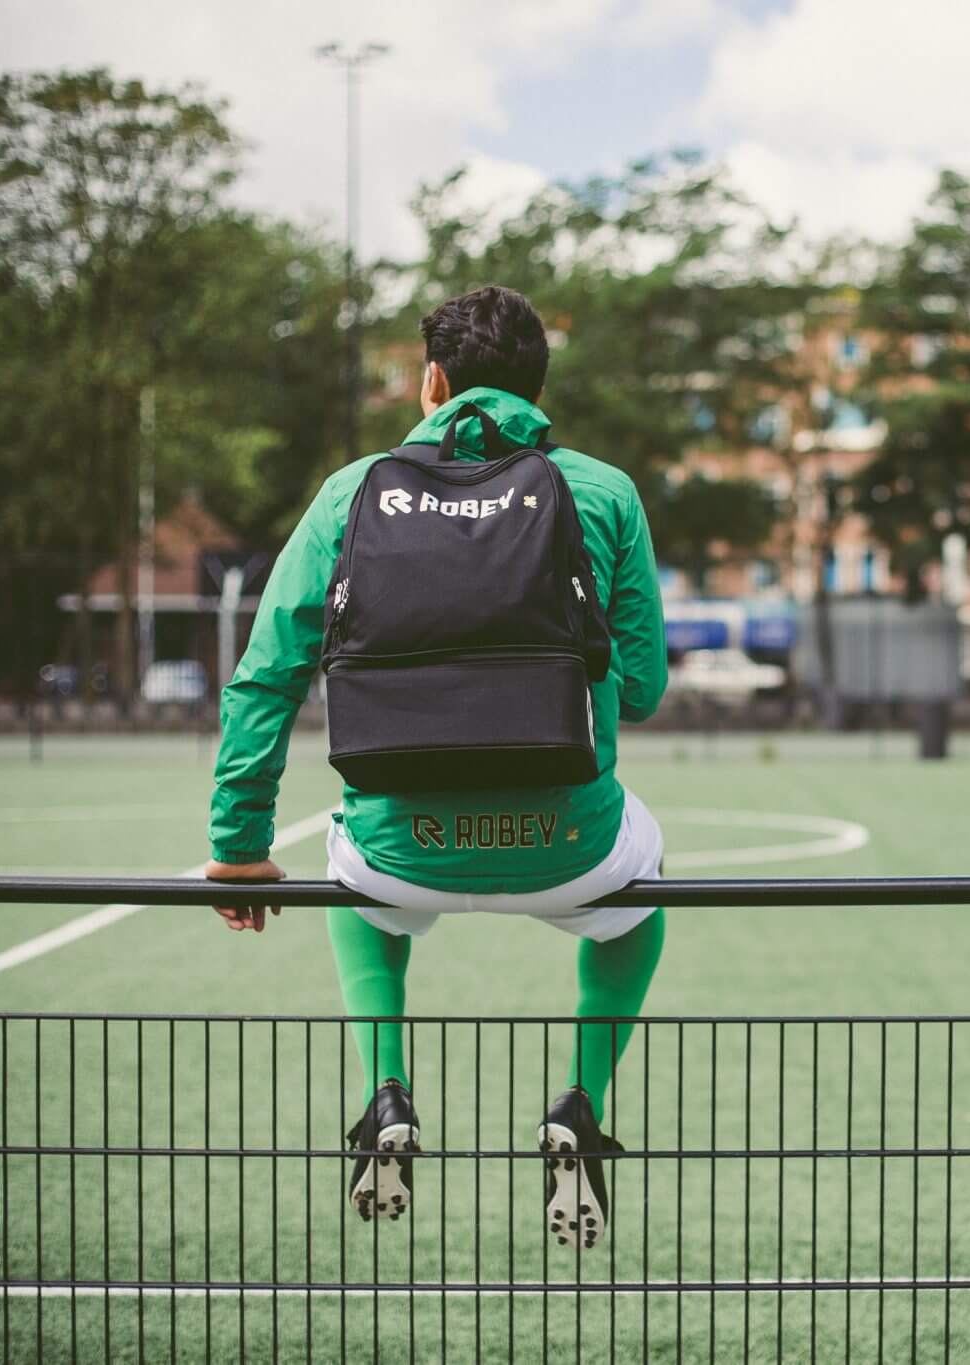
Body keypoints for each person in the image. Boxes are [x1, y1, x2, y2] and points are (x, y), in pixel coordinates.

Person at [203, 285, 668, 1250]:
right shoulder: (603, 491)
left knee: (356, 889)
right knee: (639, 902)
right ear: (541, 391)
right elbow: (650, 685)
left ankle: (386, 1091)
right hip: (567, 847)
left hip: (398, 850)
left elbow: (265, 679)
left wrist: (240, 845)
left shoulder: (352, 491)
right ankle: (580, 1099)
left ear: (433, 384)